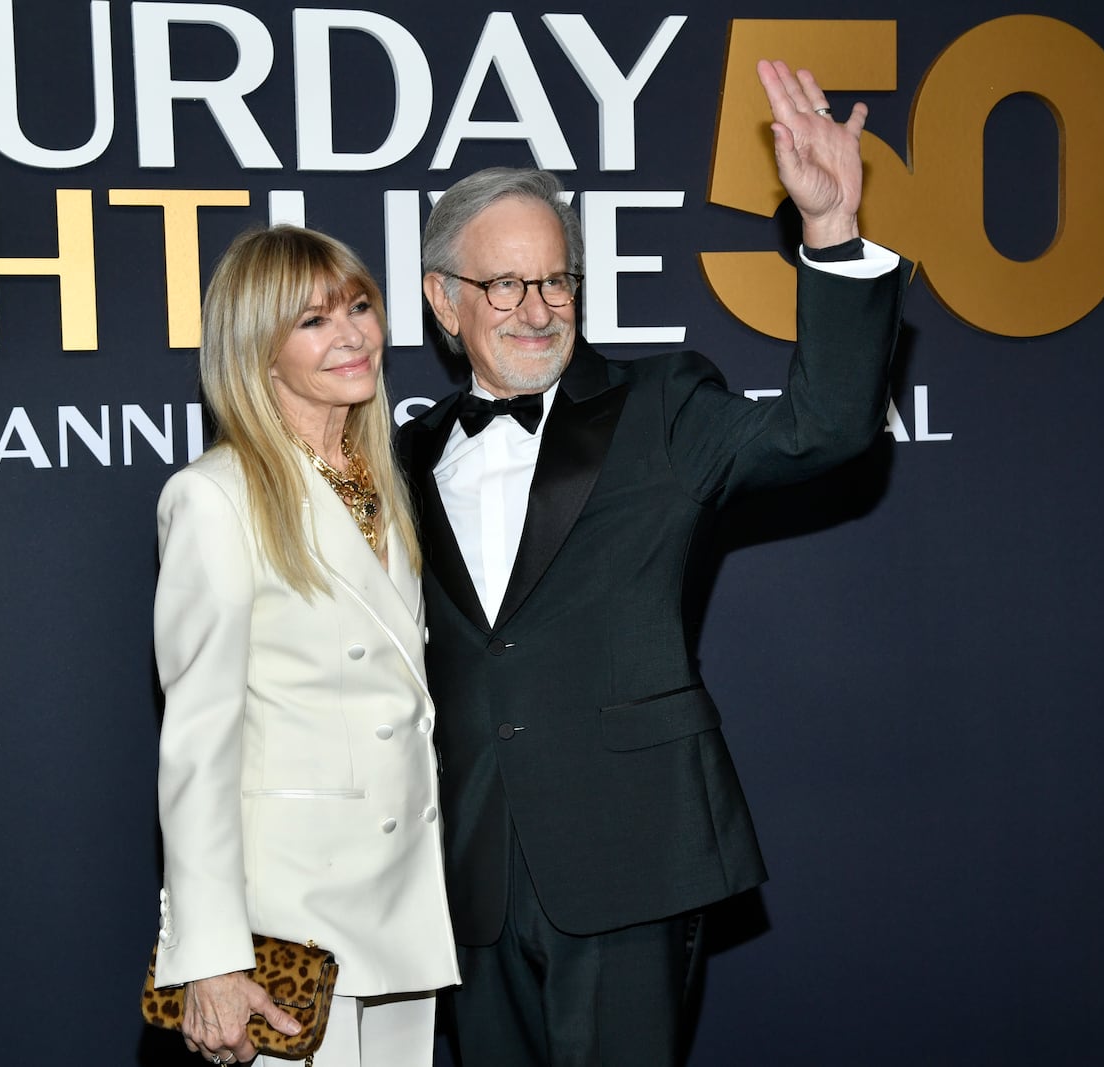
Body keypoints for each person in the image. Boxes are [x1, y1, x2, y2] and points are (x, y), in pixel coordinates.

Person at [397, 61, 911, 1065]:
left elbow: (823, 431)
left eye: (556, 278)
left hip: (631, 855)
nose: (537, 307)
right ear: (444, 298)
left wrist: (832, 234)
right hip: (469, 873)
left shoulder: (663, 404)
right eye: (504, 282)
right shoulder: (403, 458)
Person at [150, 225, 459, 1067]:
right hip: (289, 927)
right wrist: (211, 955)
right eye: (314, 321)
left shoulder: (386, 484)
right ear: (259, 348)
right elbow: (198, 743)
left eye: (359, 306)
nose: (354, 333)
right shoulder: (214, 498)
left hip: (403, 904)